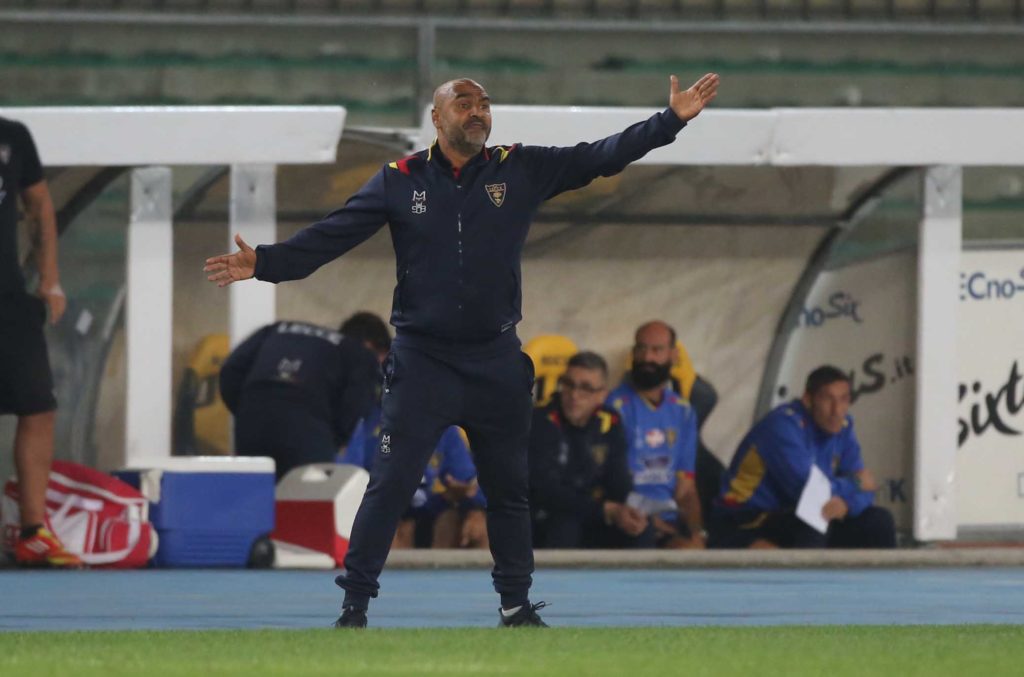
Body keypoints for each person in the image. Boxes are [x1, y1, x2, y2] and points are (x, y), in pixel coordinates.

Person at [205, 72, 720, 628]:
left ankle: (515, 605)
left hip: (495, 361)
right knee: (390, 486)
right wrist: (266, 262)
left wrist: (669, 121)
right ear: (436, 117)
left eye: (485, 104)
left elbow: (601, 156)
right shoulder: (398, 179)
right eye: (464, 103)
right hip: (423, 363)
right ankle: (354, 606)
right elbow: (332, 236)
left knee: (509, 491)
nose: (478, 112)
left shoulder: (519, 168)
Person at [0, 117, 80, 567]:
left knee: (38, 405)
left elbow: (39, 205)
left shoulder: (12, 137)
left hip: (7, 298)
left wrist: (50, 279)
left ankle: (33, 531)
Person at [708, 365, 896, 549]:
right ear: (807, 400)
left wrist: (847, 504)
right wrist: (854, 483)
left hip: (791, 515)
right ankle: (808, 572)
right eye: (827, 399)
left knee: (878, 521)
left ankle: (885, 574)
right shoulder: (782, 425)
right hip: (744, 519)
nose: (837, 410)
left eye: (844, 400)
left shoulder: (843, 426)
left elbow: (867, 489)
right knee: (817, 517)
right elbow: (808, 490)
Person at [218, 316, 379, 480]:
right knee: (308, 493)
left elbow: (231, 369)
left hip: (253, 419)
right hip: (308, 428)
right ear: (374, 348)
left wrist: (246, 410)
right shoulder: (360, 354)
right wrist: (333, 438)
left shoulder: (275, 329)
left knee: (253, 487)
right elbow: (357, 404)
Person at [529, 351, 650, 549]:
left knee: (641, 529)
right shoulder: (540, 419)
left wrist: (629, 510)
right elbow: (545, 490)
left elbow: (619, 479)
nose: (574, 395)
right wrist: (606, 510)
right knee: (565, 526)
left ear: (602, 395)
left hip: (595, 512)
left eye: (585, 388)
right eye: (568, 384)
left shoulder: (610, 421)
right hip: (550, 514)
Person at [607, 321, 705, 549]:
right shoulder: (613, 406)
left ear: (673, 355)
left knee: (694, 551)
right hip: (629, 518)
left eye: (656, 350)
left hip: (669, 522)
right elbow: (608, 485)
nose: (647, 358)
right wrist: (651, 523)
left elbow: (686, 488)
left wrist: (696, 531)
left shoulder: (683, 411)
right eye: (641, 349)